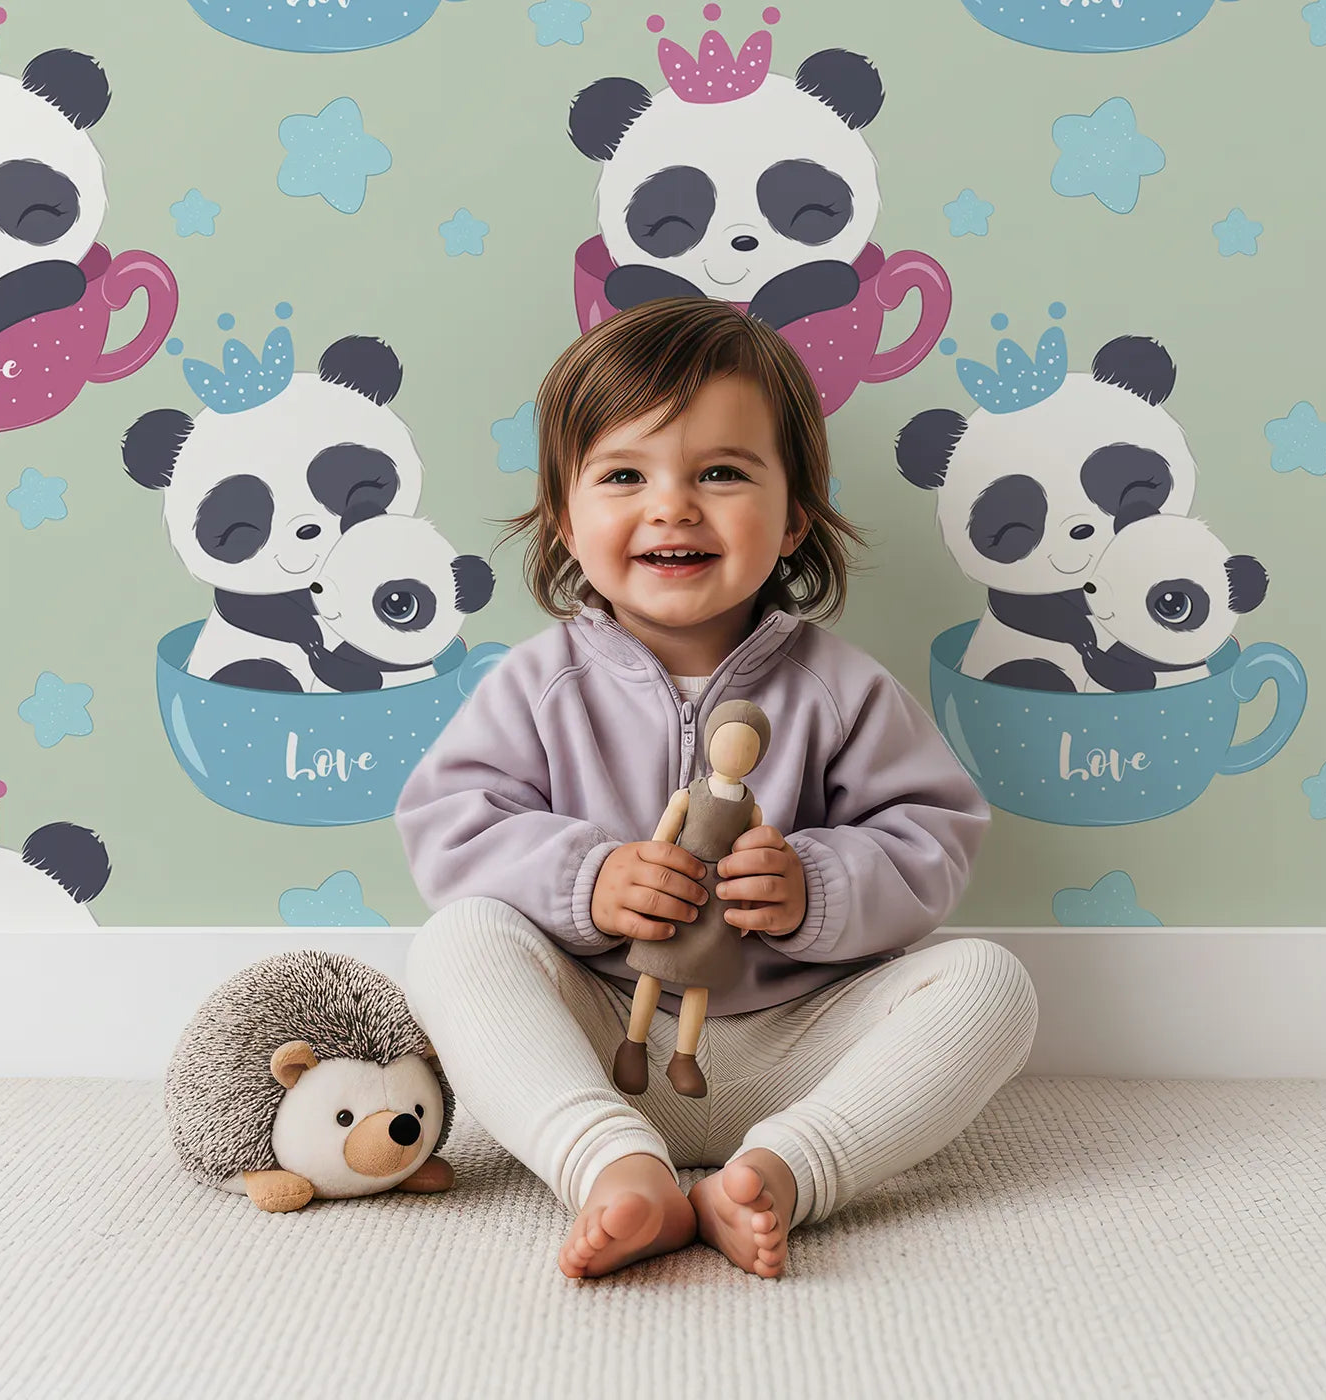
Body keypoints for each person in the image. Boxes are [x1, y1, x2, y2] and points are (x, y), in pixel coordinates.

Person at [397, 297, 1037, 1281]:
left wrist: (812, 885)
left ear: (792, 521)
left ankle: (782, 1171)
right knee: (456, 942)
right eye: (623, 475)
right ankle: (611, 1167)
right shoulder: (536, 682)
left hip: (799, 1040)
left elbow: (932, 833)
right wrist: (588, 876)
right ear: (568, 520)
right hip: (607, 1031)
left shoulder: (841, 686)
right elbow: (449, 825)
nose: (672, 507)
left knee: (990, 983)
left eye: (721, 473)